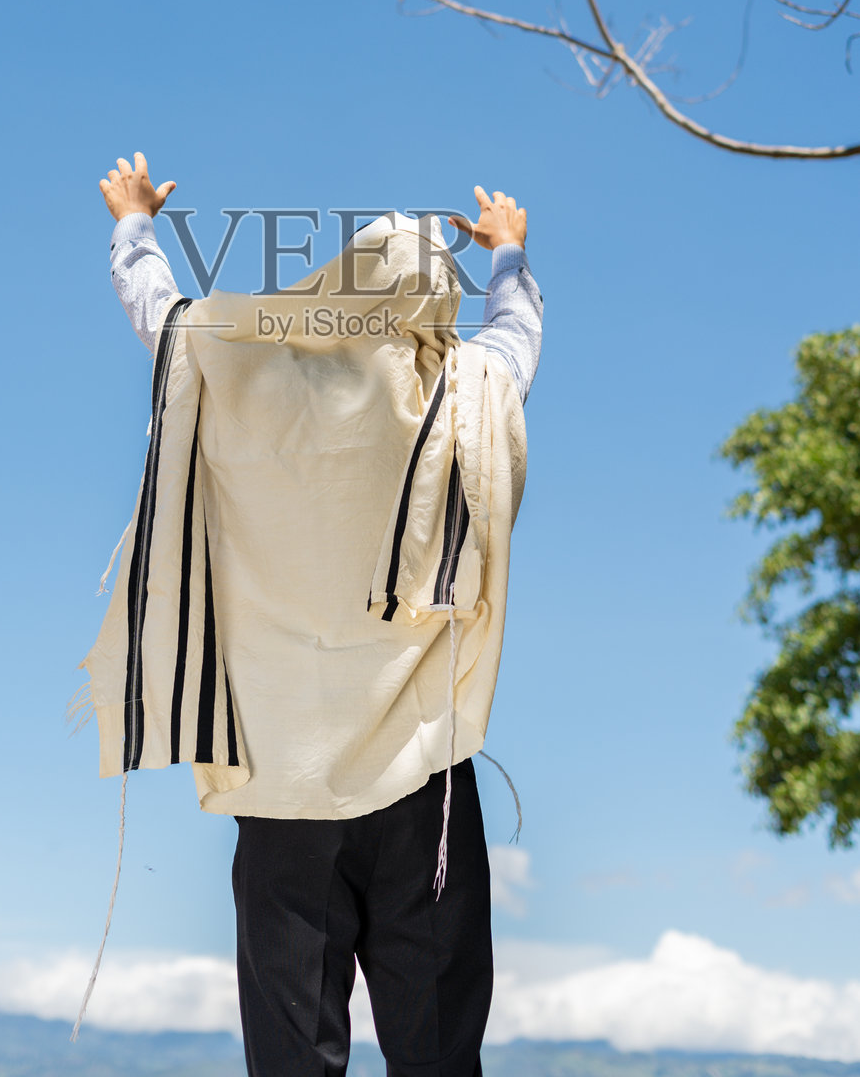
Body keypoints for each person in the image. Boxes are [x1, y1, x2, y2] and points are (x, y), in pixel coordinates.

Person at [94, 151, 543, 1077]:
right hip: (422, 786)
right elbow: (515, 334)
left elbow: (160, 315)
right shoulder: (464, 398)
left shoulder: (241, 379)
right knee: (438, 1057)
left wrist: (133, 224)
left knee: (293, 1060)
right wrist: (506, 252)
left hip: (280, 788)